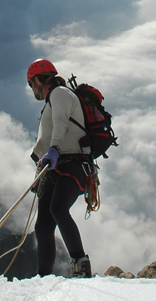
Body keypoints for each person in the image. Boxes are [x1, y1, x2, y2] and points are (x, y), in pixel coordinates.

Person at [26, 58, 93, 278]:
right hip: (58, 167)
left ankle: (80, 263)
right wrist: (40, 170)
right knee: (43, 225)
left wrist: (54, 149)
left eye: (31, 84)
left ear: (37, 80)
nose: (32, 89)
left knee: (57, 209)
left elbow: (62, 122)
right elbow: (47, 137)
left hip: (73, 164)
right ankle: (43, 275)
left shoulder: (59, 94)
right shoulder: (53, 100)